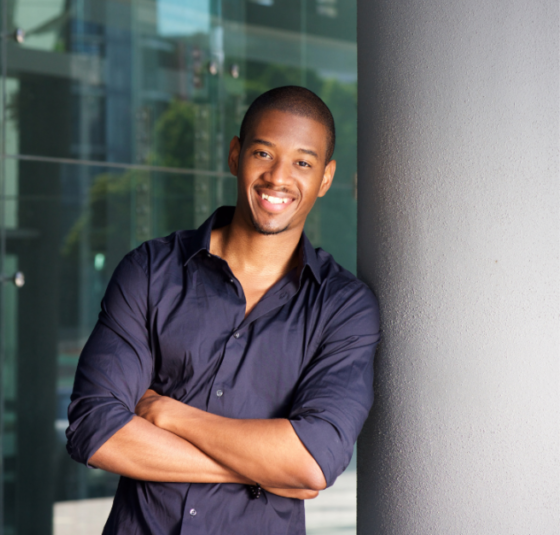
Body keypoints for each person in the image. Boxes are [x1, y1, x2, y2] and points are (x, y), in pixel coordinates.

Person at [66, 86, 380, 534]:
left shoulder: (343, 308)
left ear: (325, 179)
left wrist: (170, 414)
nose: (278, 178)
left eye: (303, 163)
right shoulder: (152, 272)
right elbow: (94, 428)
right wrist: (268, 470)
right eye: (263, 153)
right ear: (236, 156)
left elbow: (314, 458)